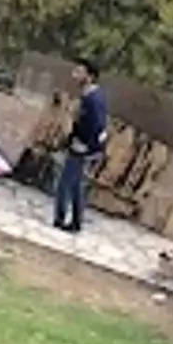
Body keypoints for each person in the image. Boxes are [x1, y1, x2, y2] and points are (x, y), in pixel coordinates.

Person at [51, 60, 109, 232]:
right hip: (80, 145)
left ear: (90, 77)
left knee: (64, 183)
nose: (74, 75)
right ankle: (76, 222)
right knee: (76, 185)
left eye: (79, 72)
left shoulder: (94, 99)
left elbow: (97, 126)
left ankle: (60, 219)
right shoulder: (87, 96)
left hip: (83, 148)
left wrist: (86, 145)